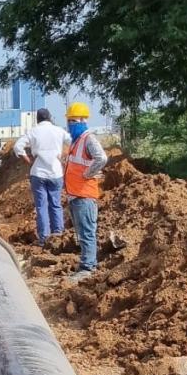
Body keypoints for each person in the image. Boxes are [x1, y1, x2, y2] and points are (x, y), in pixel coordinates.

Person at [63, 101, 108, 281]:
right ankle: (86, 263)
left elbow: (102, 157)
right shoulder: (76, 141)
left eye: (73, 121)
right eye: (70, 121)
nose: (70, 125)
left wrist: (88, 174)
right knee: (81, 232)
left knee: (87, 231)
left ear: (82, 120)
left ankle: (88, 267)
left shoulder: (88, 138)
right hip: (75, 194)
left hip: (84, 195)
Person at [14, 106, 69, 247]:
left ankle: (44, 238)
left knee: (42, 206)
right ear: (50, 118)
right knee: (56, 204)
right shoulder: (59, 131)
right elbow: (73, 142)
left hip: (38, 172)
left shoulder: (33, 132)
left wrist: (28, 160)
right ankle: (58, 234)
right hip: (56, 172)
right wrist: (63, 156)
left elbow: (18, 147)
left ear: (37, 119)